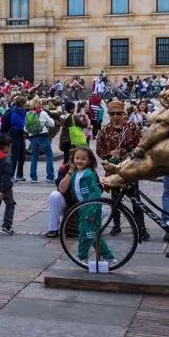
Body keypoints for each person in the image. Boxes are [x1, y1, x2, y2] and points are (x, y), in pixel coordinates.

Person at [94, 99, 149, 239]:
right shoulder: (104, 130)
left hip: (130, 169)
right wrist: (109, 154)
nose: (115, 116)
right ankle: (116, 225)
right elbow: (99, 150)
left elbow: (141, 145)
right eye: (112, 114)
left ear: (123, 113)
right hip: (114, 169)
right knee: (115, 199)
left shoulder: (132, 127)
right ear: (109, 114)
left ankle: (141, 228)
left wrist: (130, 152)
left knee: (135, 199)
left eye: (118, 113)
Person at [64, 146, 115, 265]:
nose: (79, 161)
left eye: (83, 159)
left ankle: (84, 257)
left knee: (88, 233)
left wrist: (91, 211)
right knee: (87, 233)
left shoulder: (88, 174)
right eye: (77, 158)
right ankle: (105, 257)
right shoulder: (76, 173)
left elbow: (95, 192)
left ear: (89, 161)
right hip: (82, 209)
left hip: (90, 209)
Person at [5, 97, 28, 182]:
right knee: (14, 156)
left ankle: (19, 175)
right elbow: (17, 123)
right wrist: (25, 129)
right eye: (25, 102)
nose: (26, 104)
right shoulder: (15, 111)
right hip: (14, 135)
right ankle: (11, 175)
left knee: (22, 155)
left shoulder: (23, 112)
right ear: (22, 103)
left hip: (21, 135)